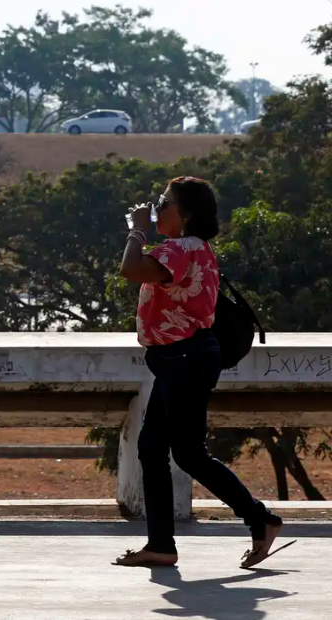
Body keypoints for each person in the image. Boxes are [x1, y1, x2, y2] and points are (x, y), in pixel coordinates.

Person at [115, 176, 282, 570]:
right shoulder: (194, 248)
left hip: (184, 359)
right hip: (180, 359)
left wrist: (137, 229)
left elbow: (130, 269)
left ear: (185, 214)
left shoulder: (182, 249)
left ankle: (260, 518)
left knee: (188, 453)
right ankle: (160, 545)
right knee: (153, 449)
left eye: (165, 203)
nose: (158, 207)